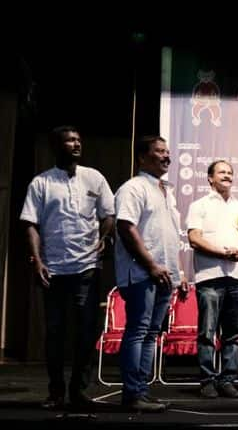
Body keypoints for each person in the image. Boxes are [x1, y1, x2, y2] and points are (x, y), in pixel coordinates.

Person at [20, 126, 115, 410]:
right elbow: (30, 224)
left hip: (87, 266)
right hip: (54, 268)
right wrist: (37, 260)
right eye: (70, 140)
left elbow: (108, 213)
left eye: (78, 140)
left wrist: (104, 236)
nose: (76, 144)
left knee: (86, 331)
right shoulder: (41, 183)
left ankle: (78, 389)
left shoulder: (94, 177)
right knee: (55, 332)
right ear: (56, 146)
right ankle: (56, 390)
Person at [114, 135, 188, 412]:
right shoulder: (133, 188)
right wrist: (151, 265)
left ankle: (141, 392)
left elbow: (170, 236)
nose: (167, 156)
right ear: (143, 157)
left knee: (152, 333)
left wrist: (179, 273)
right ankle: (132, 394)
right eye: (159, 152)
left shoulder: (165, 190)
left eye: (168, 151)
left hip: (164, 275)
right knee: (139, 330)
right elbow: (125, 227)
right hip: (143, 273)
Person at [186, 160, 238, 399]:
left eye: (230, 173)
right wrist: (221, 253)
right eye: (221, 172)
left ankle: (227, 381)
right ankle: (207, 381)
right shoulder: (199, 205)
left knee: (233, 335)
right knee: (207, 333)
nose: (227, 176)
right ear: (210, 178)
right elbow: (194, 238)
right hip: (210, 278)